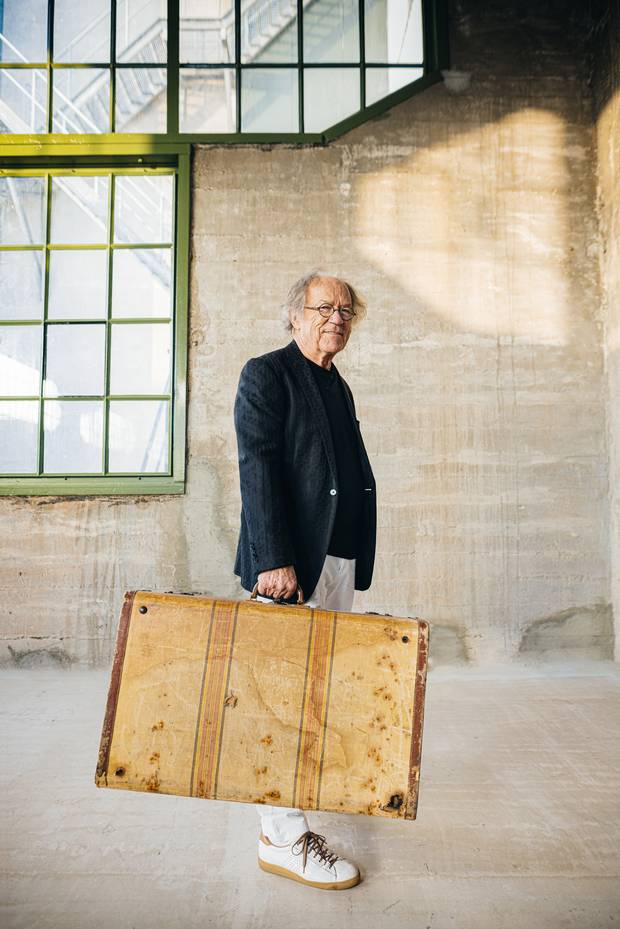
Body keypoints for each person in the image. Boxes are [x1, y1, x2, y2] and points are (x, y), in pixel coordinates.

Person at [233, 271, 377, 890]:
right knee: (280, 702)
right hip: (289, 568)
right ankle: (282, 839)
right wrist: (273, 559)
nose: (335, 319)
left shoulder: (335, 384)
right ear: (294, 315)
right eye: (323, 308)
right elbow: (257, 466)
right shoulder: (267, 373)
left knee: (316, 698)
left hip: (335, 563)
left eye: (346, 311)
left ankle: (296, 808)